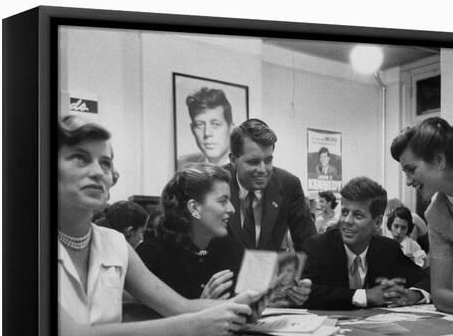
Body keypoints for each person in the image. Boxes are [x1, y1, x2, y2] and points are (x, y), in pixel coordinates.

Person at [57, 115, 262, 336]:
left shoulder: (115, 244)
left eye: (105, 163)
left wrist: (239, 306)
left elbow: (180, 306)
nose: (98, 171)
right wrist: (196, 326)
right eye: (80, 158)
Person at [303, 176, 430, 310]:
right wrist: (365, 296)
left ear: (377, 223)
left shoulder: (388, 249)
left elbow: (427, 280)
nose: (347, 221)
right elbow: (303, 294)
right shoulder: (318, 246)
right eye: (345, 212)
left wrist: (413, 295)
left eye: (357, 215)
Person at [390, 117, 453, 315]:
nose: (408, 182)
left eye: (411, 170)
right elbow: (440, 296)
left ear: (439, 159)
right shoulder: (435, 214)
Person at [136, 163, 243, 300]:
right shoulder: (151, 256)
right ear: (194, 208)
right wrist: (201, 307)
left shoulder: (232, 249)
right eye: (223, 201)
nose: (232, 209)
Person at [225, 118, 317, 252]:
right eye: (253, 162)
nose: (262, 169)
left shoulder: (288, 185)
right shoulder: (215, 184)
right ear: (233, 160)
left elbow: (308, 245)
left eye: (268, 160)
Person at [177, 88, 234, 169]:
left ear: (231, 128)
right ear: (192, 129)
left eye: (216, 124)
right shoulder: (182, 166)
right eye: (200, 125)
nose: (207, 133)